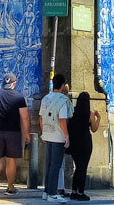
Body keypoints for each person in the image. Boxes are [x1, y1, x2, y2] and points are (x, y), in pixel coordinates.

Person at [0, 72, 29, 197]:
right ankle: (10, 187)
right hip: (13, 132)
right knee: (11, 160)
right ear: (14, 83)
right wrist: (27, 134)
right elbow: (25, 117)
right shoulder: (19, 97)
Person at [40, 75, 73, 203]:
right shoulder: (62, 100)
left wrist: (44, 132)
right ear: (63, 85)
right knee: (55, 165)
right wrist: (67, 135)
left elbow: (41, 118)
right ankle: (52, 193)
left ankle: (46, 191)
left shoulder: (46, 98)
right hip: (58, 136)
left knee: (49, 165)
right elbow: (62, 119)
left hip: (47, 134)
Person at [66, 89, 99, 200]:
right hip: (85, 143)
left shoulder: (72, 112)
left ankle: (74, 191)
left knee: (77, 167)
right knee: (82, 168)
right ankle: (81, 192)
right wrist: (98, 118)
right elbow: (94, 129)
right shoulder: (89, 114)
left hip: (75, 143)